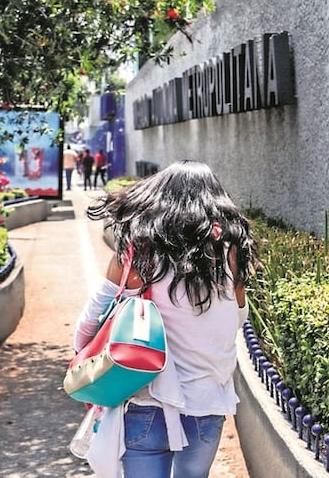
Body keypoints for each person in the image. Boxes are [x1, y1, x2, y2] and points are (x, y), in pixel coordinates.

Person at [73, 160, 256, 477]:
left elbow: (92, 318)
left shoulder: (139, 250)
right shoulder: (231, 251)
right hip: (208, 401)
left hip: (146, 397)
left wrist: (83, 358)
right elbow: (238, 317)